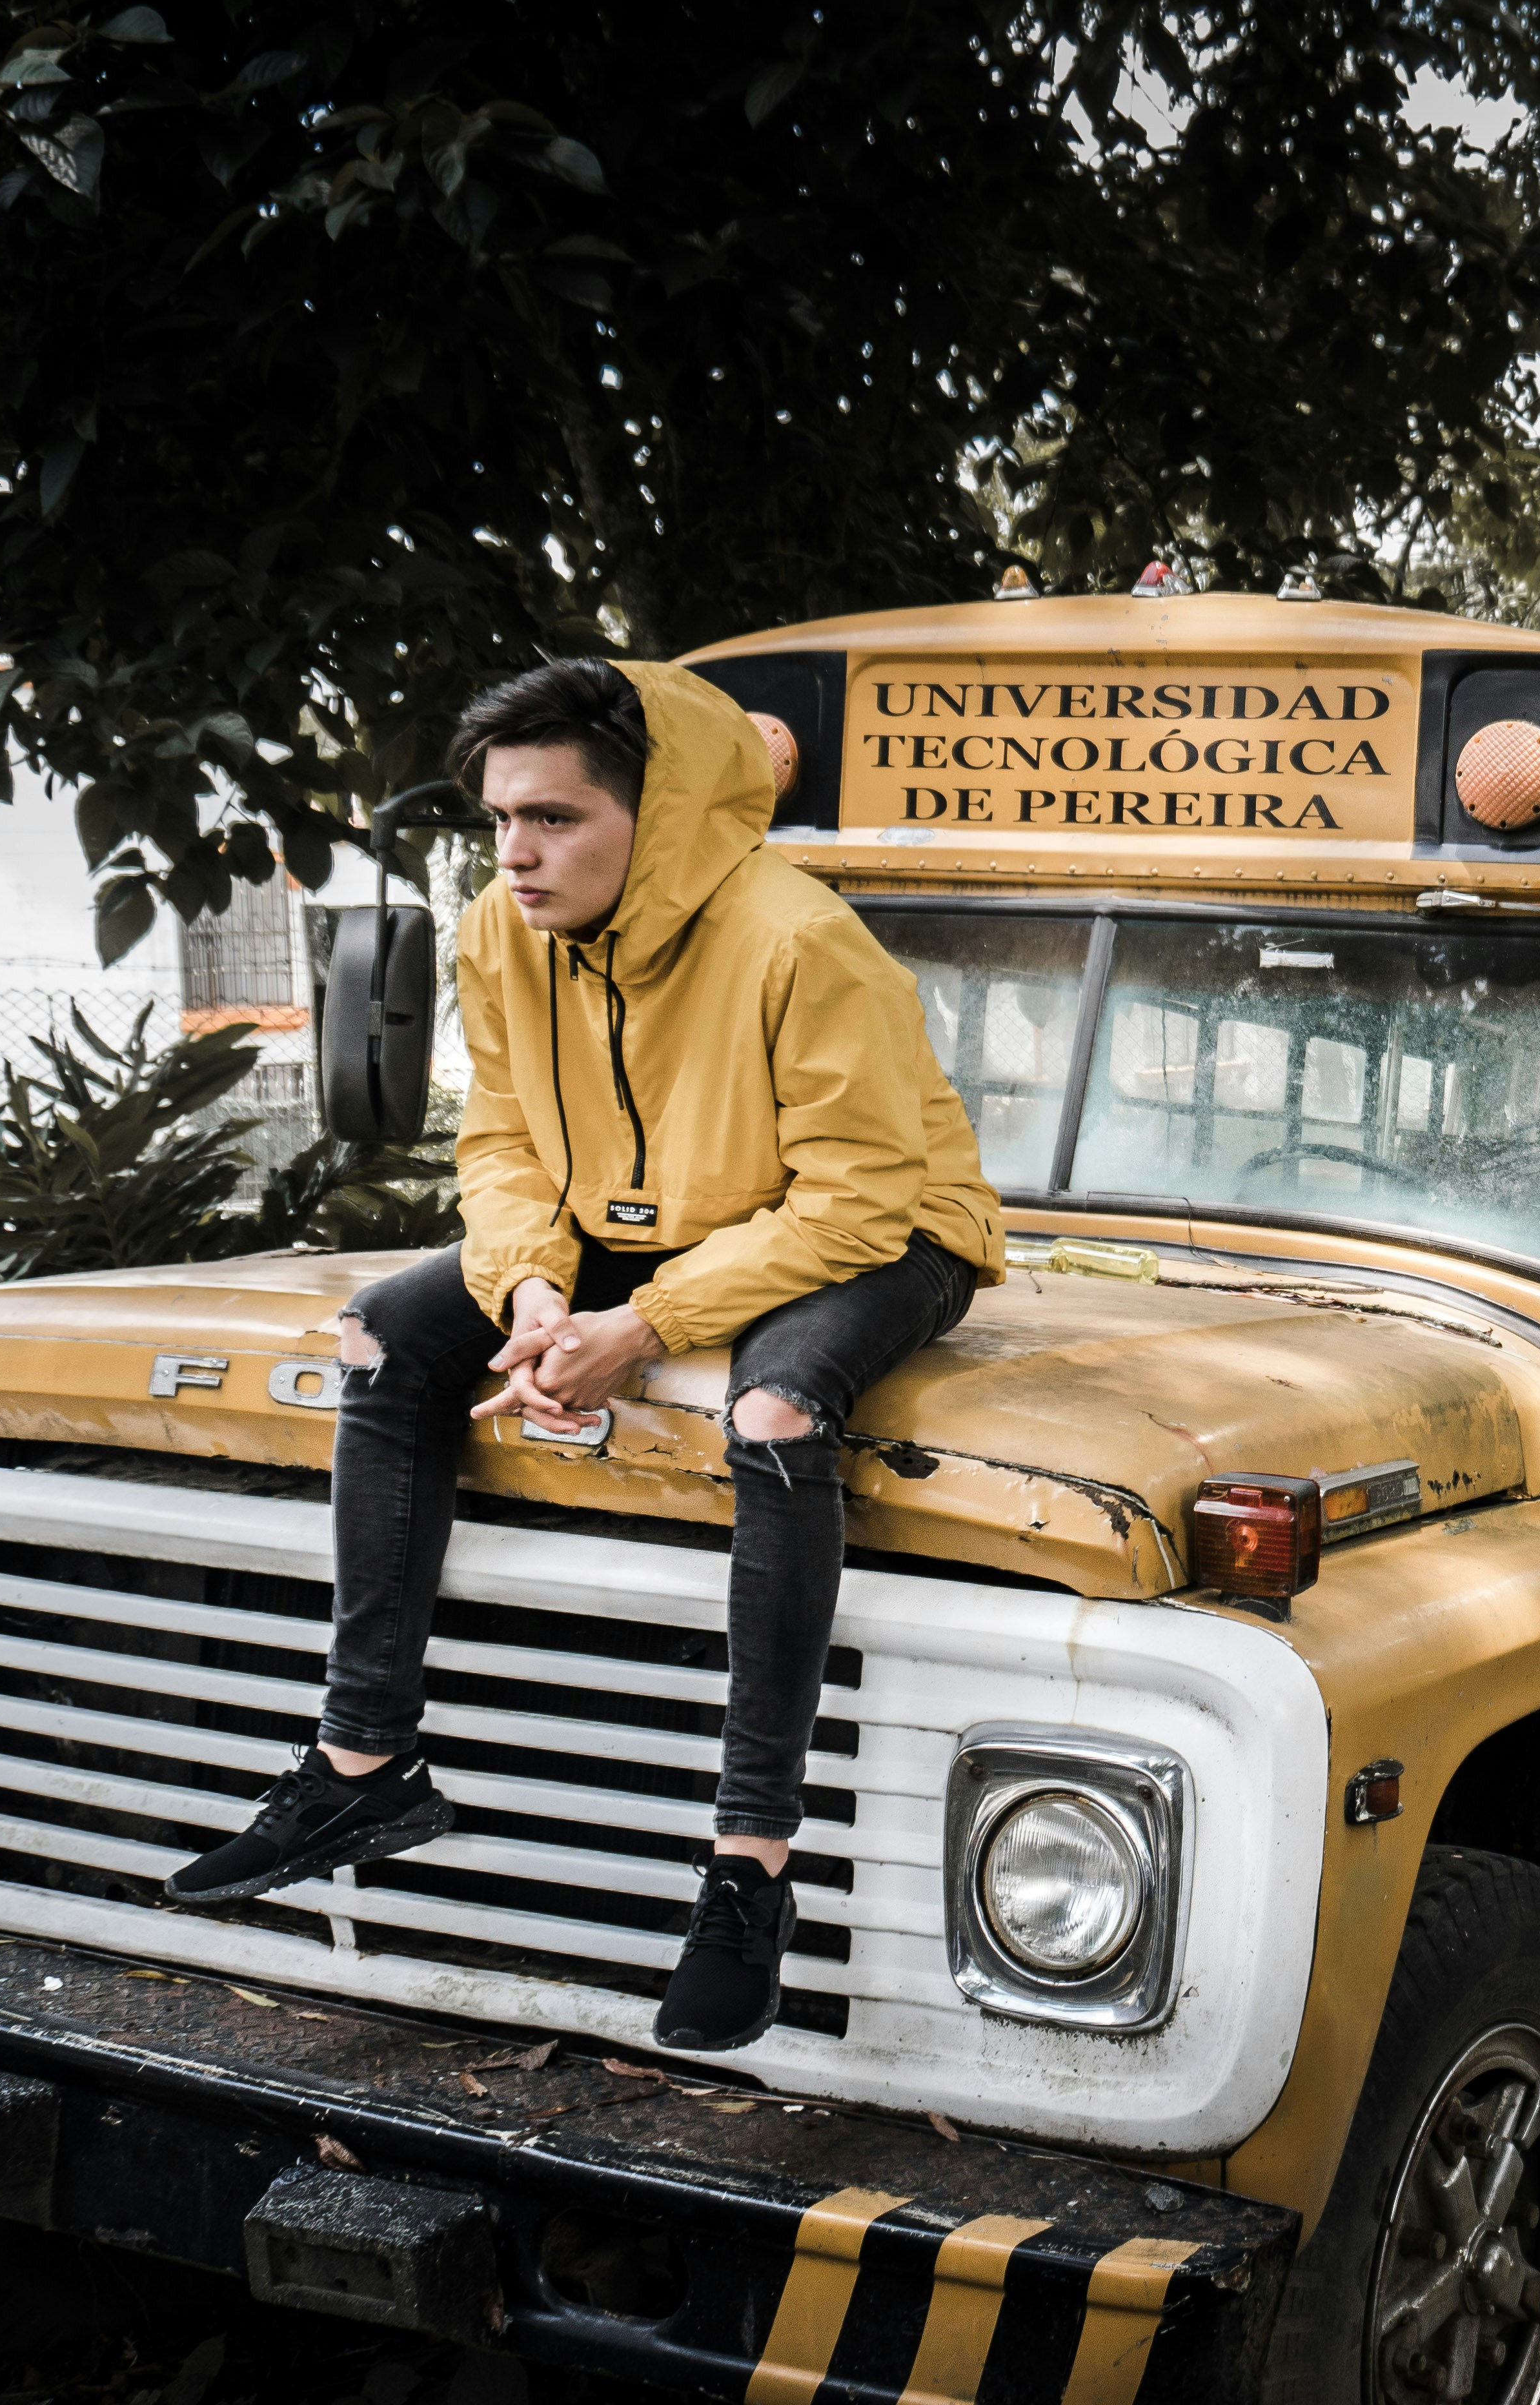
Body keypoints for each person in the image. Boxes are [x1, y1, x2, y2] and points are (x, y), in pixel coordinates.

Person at [165, 656, 1003, 2055]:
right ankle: (364, 1759)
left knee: (783, 1409)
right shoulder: (501, 930)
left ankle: (750, 1866)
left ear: (657, 816)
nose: (514, 850)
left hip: (879, 1225)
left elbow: (856, 1195)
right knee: (382, 1330)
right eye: (499, 817)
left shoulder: (803, 943)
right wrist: (538, 1284)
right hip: (644, 1219)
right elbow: (497, 1142)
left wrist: (648, 1326)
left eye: (553, 817)